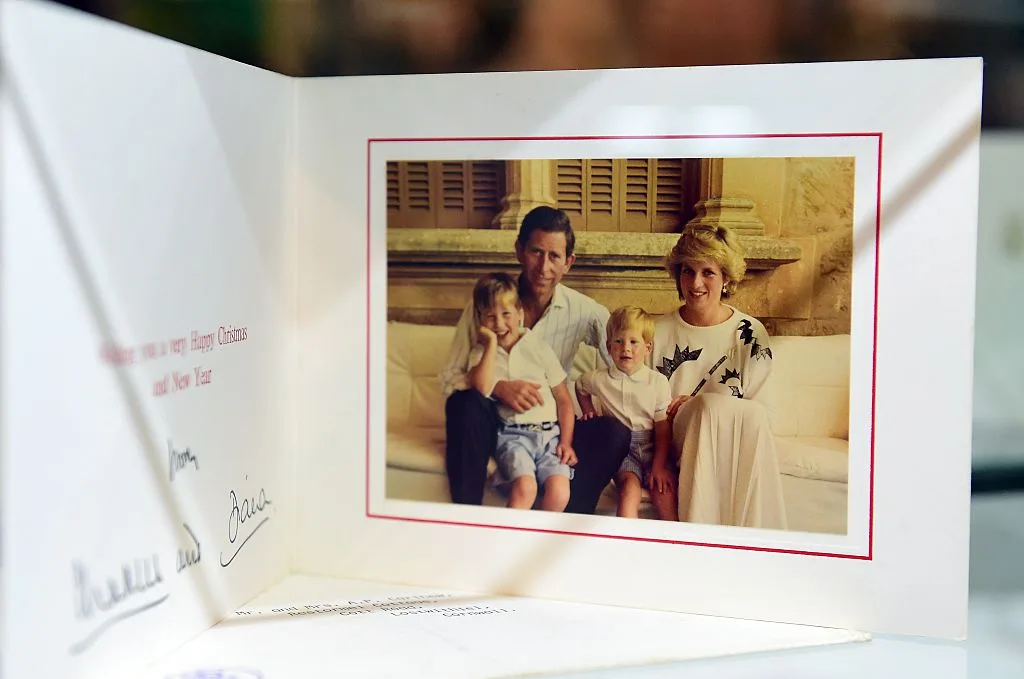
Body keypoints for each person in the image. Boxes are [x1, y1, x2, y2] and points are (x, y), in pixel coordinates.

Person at [440, 206, 631, 513]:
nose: (544, 267)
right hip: (498, 425)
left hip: (550, 428)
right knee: (463, 404)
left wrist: (592, 399)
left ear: (569, 262)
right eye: (536, 252)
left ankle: (562, 524)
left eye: (554, 256)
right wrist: (498, 387)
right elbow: (450, 378)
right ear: (519, 251)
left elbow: (625, 363)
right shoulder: (486, 308)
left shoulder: (584, 312)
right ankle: (469, 519)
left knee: (614, 432)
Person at [651, 223, 788, 529]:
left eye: (707, 272)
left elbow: (762, 417)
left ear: (726, 277)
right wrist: (690, 412)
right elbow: (642, 407)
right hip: (675, 448)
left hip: (734, 451)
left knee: (711, 407)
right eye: (687, 271)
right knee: (704, 409)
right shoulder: (656, 333)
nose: (695, 282)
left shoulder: (750, 334)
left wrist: (702, 404)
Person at [466, 273, 575, 511]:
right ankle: (509, 542)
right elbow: (481, 387)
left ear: (520, 314)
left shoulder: (539, 347)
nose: (500, 323)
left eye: (506, 314)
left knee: (559, 492)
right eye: (490, 317)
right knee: (525, 488)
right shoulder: (482, 354)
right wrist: (491, 344)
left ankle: (538, 541)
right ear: (480, 320)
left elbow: (564, 400)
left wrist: (566, 443)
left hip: (550, 436)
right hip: (513, 437)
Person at [576, 306, 675, 520]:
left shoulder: (657, 382)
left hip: (651, 444)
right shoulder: (599, 378)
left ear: (647, 348)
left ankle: (677, 540)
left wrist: (659, 464)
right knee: (629, 490)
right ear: (608, 347)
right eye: (618, 342)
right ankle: (626, 541)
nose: (625, 349)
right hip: (623, 450)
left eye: (633, 342)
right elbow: (580, 386)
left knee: (663, 489)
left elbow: (662, 426)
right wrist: (589, 412)